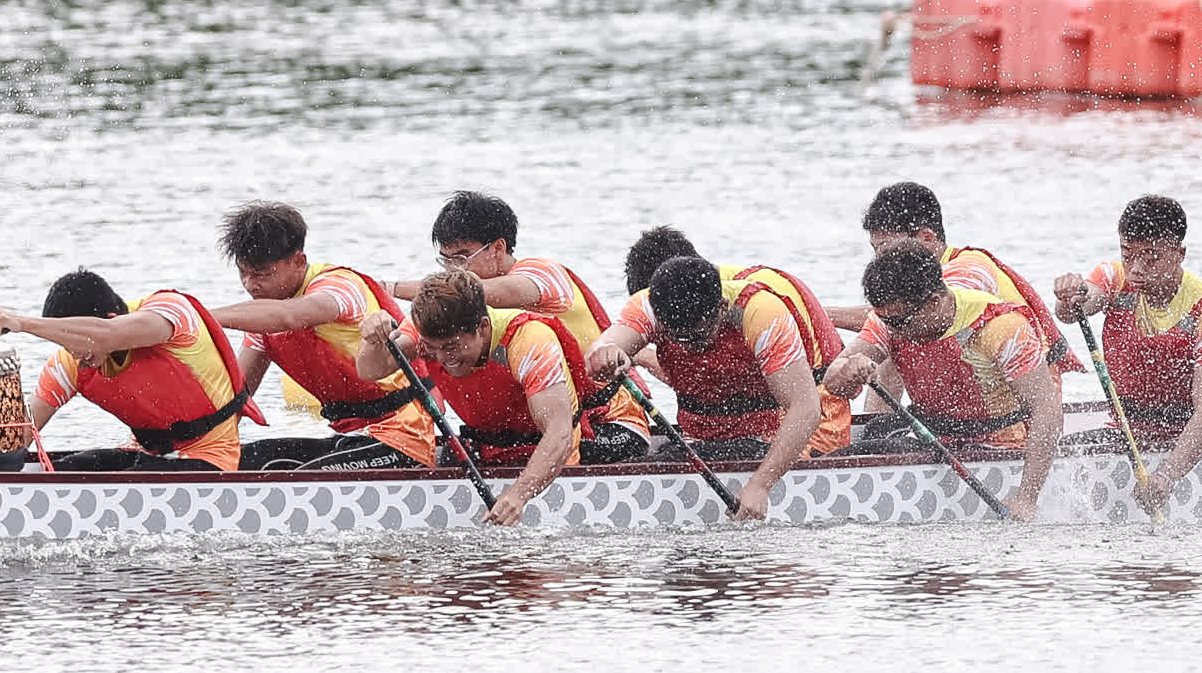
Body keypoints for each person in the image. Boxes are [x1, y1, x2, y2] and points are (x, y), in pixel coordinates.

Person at [586, 230, 848, 519]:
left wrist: (760, 485)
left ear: (721, 308)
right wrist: (606, 355)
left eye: (698, 335)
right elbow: (602, 349)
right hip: (708, 438)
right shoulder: (649, 305)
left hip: (779, 436)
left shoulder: (761, 313)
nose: (689, 347)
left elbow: (806, 408)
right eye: (678, 338)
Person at [361, 268, 648, 523]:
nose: (440, 357)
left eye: (450, 347)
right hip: (498, 444)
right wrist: (373, 340)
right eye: (431, 349)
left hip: (576, 441)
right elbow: (369, 370)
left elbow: (559, 434)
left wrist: (518, 496)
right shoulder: (429, 333)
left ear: (483, 328)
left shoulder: (528, 340)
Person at [820, 244, 1066, 521]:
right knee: (876, 430)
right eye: (886, 321)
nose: (893, 331)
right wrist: (848, 372)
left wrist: (1027, 497)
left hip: (1003, 442)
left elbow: (1048, 410)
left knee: (881, 443)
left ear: (935, 303)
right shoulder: (891, 319)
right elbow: (833, 380)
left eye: (899, 322)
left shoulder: (1002, 328)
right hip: (936, 432)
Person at [393, 189, 650, 442]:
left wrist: (389, 288)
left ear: (497, 248)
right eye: (446, 261)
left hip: (610, 418)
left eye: (461, 258)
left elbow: (495, 291)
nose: (453, 270)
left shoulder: (543, 273)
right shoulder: (464, 304)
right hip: (541, 424)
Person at [203, 202, 442, 471]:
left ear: (299, 261)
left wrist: (197, 316)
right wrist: (194, 452)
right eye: (243, 273)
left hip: (407, 435)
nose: (250, 285)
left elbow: (288, 316)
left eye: (262, 274)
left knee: (299, 477)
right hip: (353, 437)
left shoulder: (339, 287)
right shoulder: (262, 315)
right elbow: (237, 401)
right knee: (239, 460)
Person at [1047, 194, 1202, 502]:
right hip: (1126, 431)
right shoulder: (1113, 277)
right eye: (1127, 254)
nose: (1135, 268)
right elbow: (1073, 312)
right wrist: (1071, 294)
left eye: (1150, 257)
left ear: (1179, 254)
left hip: (1187, 441)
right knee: (1061, 452)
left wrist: (1166, 475)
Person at [0, 269, 252, 471]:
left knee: (135, 477)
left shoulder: (171, 312)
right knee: (59, 471)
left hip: (211, 458)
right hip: (144, 455)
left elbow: (107, 335)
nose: (74, 353)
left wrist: (22, 323)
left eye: (76, 342)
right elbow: (17, 436)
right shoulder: (70, 363)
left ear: (111, 318)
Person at [848, 180, 1082, 371]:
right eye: (875, 249)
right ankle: (879, 425)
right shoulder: (913, 293)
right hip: (977, 377)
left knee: (899, 332)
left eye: (886, 247)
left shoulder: (969, 267)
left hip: (1027, 381)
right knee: (896, 340)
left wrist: (823, 315)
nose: (880, 259)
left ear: (927, 238)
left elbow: (902, 314)